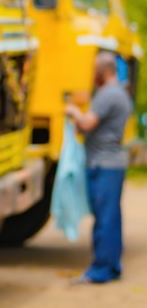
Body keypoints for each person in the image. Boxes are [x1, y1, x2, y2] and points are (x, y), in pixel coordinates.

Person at [65, 50, 132, 284]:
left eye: (95, 71)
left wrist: (73, 111)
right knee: (111, 217)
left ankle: (102, 269)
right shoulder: (121, 93)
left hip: (105, 164)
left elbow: (87, 122)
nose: (93, 75)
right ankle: (111, 266)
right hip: (112, 163)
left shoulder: (108, 94)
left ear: (103, 72)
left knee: (105, 217)